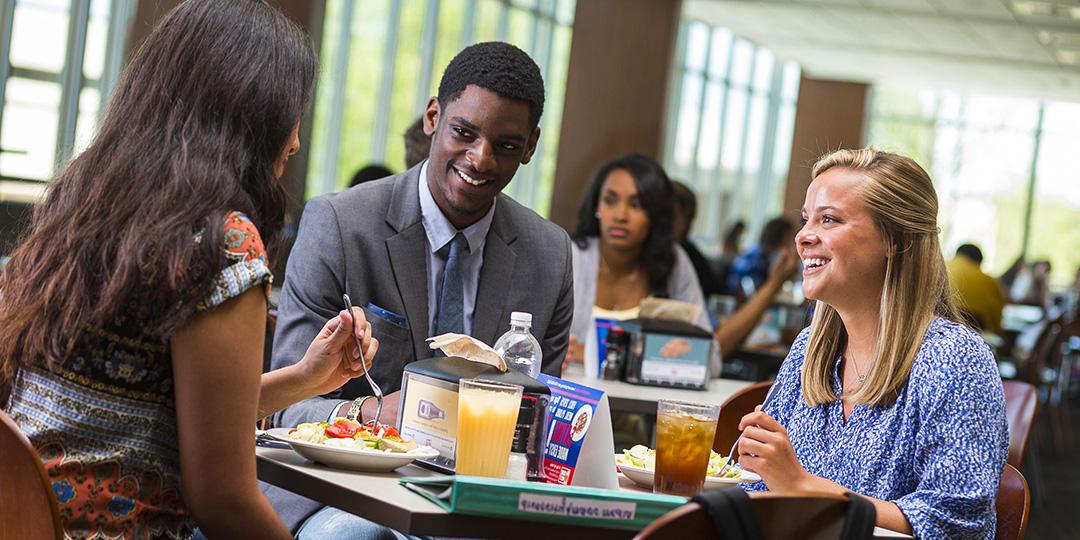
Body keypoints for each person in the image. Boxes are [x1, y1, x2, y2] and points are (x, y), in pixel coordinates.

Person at [0, 1, 379, 538]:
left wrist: (304, 380)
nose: (295, 140)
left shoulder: (81, 207)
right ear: (252, 113)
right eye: (293, 112)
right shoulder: (221, 243)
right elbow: (222, 500)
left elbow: (145, 409)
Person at [267, 41, 574, 536]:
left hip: (475, 506)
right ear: (433, 117)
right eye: (465, 133)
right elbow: (283, 403)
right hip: (345, 495)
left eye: (507, 146)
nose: (481, 159)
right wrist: (374, 412)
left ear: (531, 146)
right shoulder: (341, 225)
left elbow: (540, 416)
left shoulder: (549, 255)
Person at [737, 148, 1007, 539]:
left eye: (828, 219)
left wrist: (801, 487)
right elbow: (762, 487)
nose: (803, 236)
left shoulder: (954, 359)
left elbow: (953, 523)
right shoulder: (810, 347)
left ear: (893, 240)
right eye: (806, 219)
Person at [566, 154, 799, 373]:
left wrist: (592, 353)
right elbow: (539, 344)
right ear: (596, 206)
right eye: (610, 200)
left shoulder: (673, 262)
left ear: (656, 215)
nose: (620, 215)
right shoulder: (571, 256)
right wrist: (652, 356)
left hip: (644, 410)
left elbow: (709, 355)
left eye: (636, 205)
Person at [671, 180, 724, 296]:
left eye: (692, 220)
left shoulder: (685, 252)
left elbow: (718, 293)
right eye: (687, 218)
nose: (689, 227)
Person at [728, 217, 795, 297]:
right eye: (790, 235)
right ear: (782, 235)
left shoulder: (762, 254)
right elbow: (753, 295)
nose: (793, 240)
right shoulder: (756, 261)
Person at [947, 243, 1006, 333]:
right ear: (978, 262)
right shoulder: (989, 281)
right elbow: (996, 318)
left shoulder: (940, 267)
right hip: (976, 332)